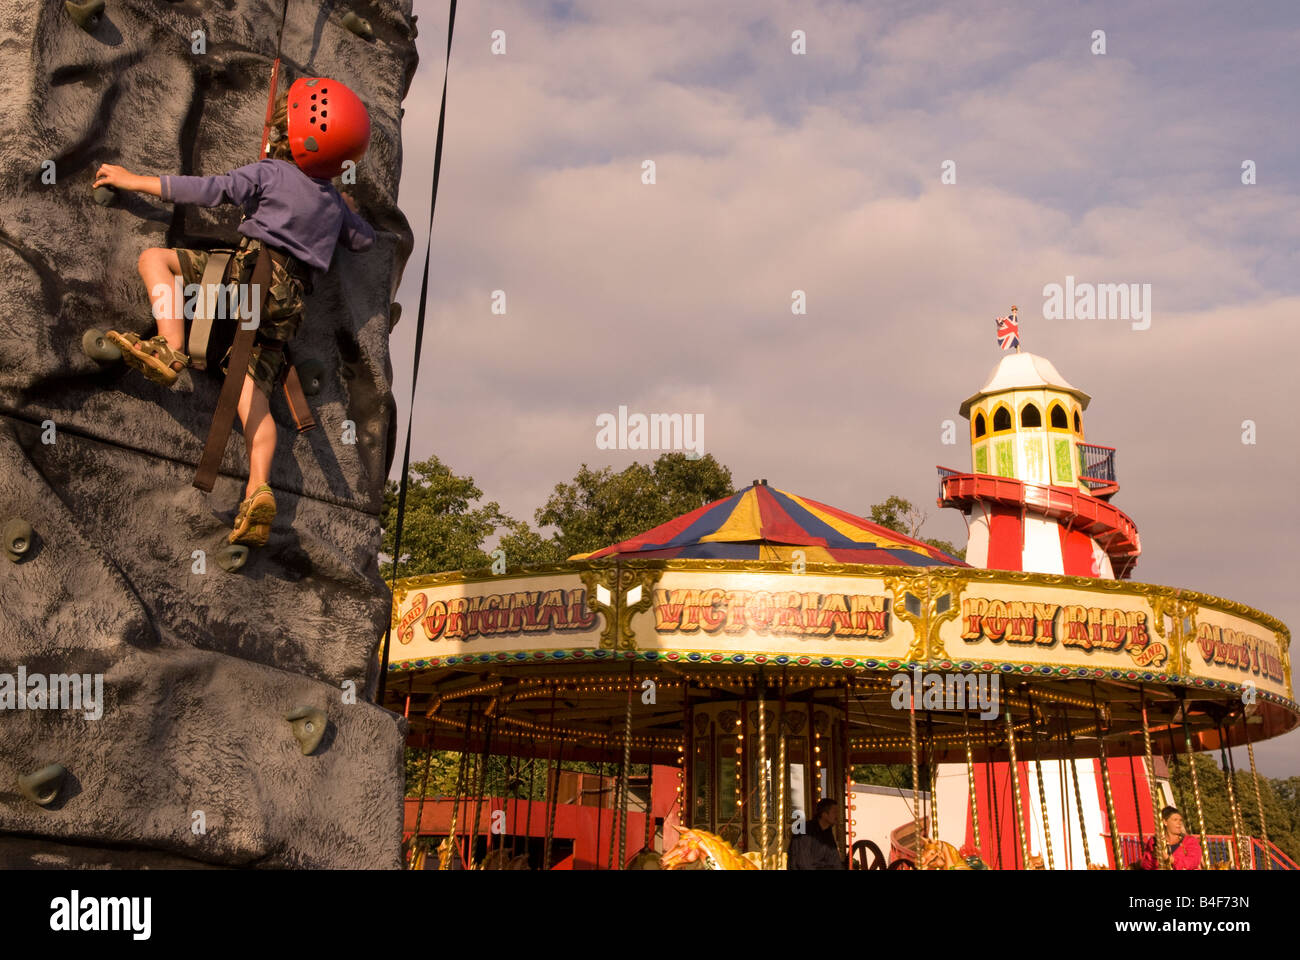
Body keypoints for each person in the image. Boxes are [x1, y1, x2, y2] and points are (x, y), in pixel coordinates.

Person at [93, 76, 375, 546]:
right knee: (251, 396)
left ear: (292, 137)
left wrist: (132, 180)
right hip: (284, 312)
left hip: (244, 282)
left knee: (155, 260)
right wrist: (344, 203)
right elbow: (363, 241)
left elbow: (207, 190)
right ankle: (259, 489)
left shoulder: (271, 173)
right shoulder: (333, 204)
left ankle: (171, 346)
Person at [788, 798, 845, 870]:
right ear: (824, 814)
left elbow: (834, 859)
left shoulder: (827, 832)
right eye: (834, 812)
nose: (837, 815)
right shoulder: (805, 829)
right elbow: (803, 861)